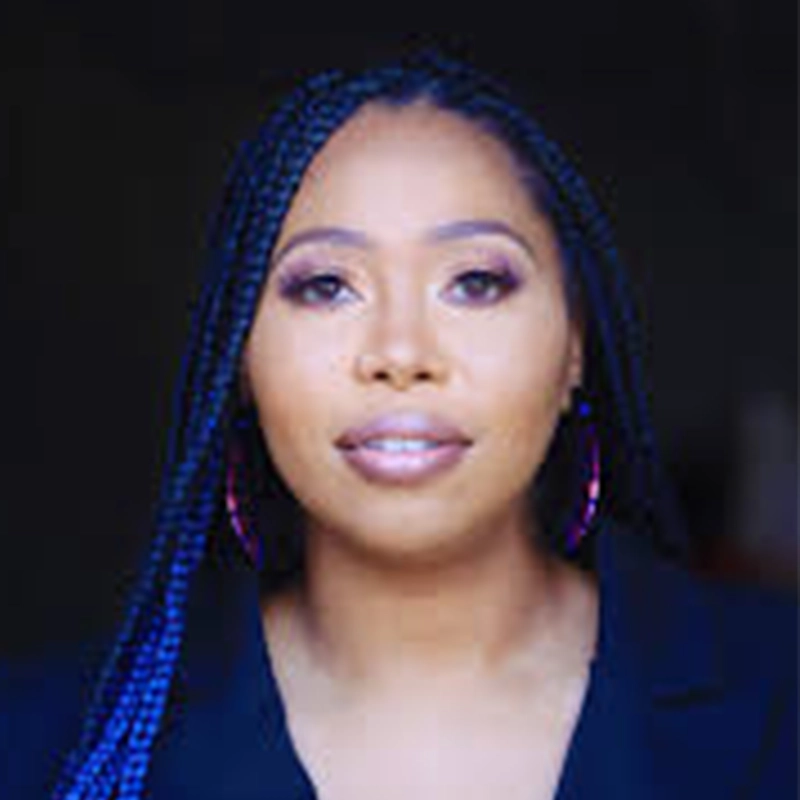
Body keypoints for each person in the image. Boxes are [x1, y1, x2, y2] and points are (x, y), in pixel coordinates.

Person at [4, 50, 795, 800]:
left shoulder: (780, 693)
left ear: (574, 349)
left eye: (476, 282)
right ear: (238, 360)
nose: (401, 353)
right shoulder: (44, 742)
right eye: (324, 287)